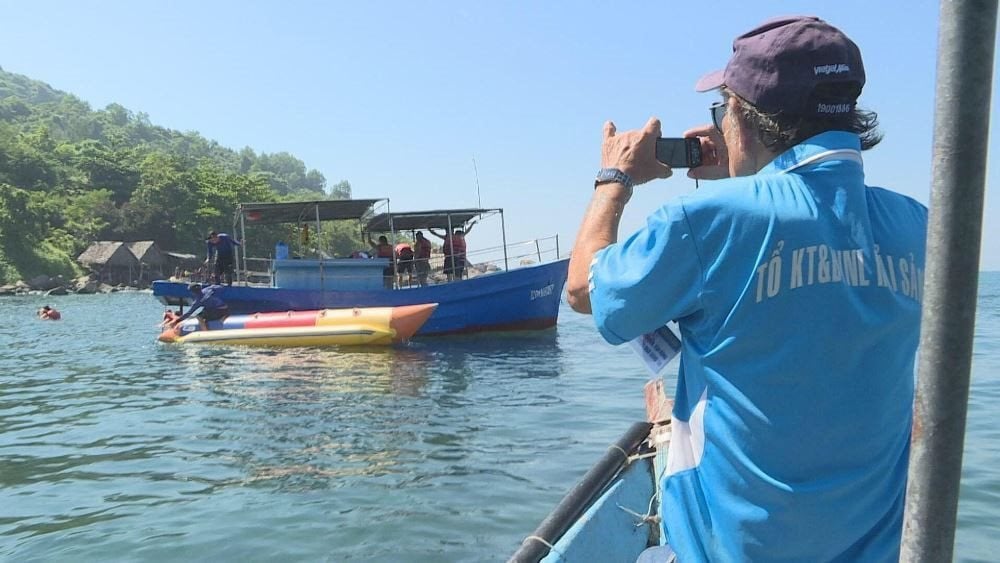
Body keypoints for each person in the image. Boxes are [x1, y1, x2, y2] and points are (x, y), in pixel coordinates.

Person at [566, 16, 927, 562]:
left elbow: (584, 290)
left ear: (744, 118)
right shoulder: (921, 228)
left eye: (723, 109)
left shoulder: (703, 223)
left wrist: (614, 178)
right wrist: (747, 170)